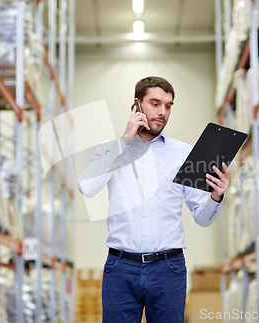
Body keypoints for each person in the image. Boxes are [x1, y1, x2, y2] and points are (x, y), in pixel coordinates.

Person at [78, 76, 231, 323]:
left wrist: (216, 195)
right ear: (136, 105)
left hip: (168, 269)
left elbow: (202, 218)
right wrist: (124, 142)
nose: (163, 113)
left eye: (168, 106)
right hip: (120, 267)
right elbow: (86, 187)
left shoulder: (184, 153)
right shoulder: (110, 149)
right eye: (155, 104)